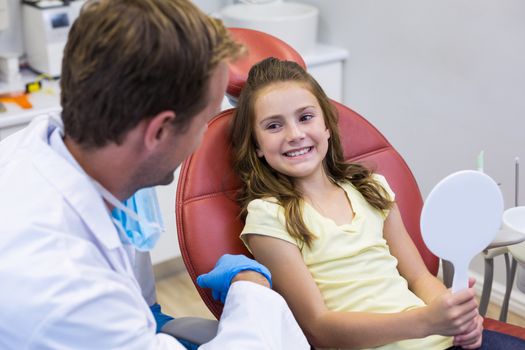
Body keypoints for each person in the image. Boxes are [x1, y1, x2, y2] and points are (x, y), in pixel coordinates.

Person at [0, 1, 309, 349]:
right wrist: (250, 288)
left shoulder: (40, 143)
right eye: (203, 124)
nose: (202, 141)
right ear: (159, 130)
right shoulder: (67, 288)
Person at [231, 57, 525, 350]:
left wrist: (455, 315)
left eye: (305, 117)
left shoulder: (370, 189)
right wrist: (426, 321)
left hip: (441, 340)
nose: (295, 135)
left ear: (327, 126)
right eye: (273, 126)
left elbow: (420, 277)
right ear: (256, 145)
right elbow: (319, 327)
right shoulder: (269, 216)